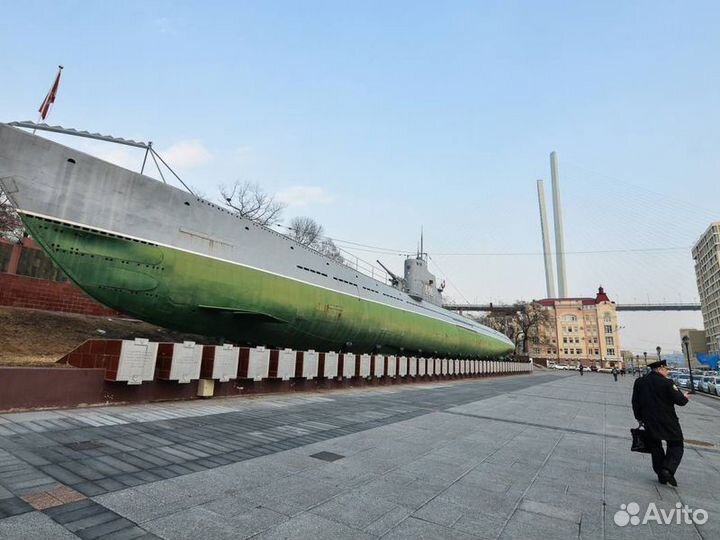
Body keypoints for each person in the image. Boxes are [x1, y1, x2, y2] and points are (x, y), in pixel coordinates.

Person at [631, 359, 689, 486]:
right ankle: (667, 469)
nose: (667, 372)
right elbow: (680, 401)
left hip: (649, 420)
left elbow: (635, 402)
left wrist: (639, 418)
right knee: (676, 444)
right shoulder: (667, 383)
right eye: (666, 369)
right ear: (660, 369)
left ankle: (661, 476)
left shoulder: (640, 382)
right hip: (668, 420)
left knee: (655, 446)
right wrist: (685, 397)